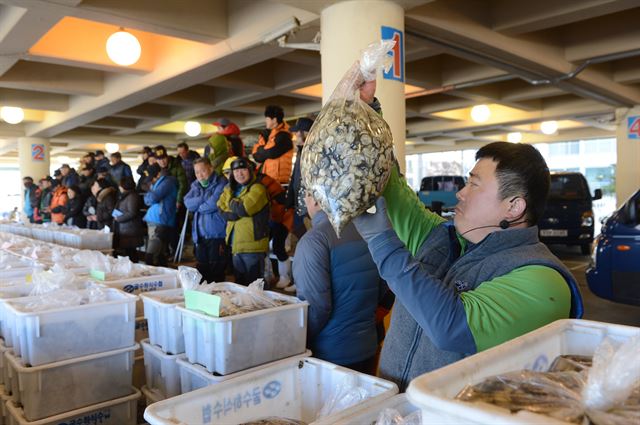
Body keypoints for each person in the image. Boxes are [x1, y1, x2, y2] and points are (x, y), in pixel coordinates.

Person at [352, 141, 584, 390]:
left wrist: (382, 242)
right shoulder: (439, 236)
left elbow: (451, 327)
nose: (461, 193)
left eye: (474, 184)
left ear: (514, 207)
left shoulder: (542, 279)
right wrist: (370, 117)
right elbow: (392, 188)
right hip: (391, 406)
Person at [294, 192, 387, 373]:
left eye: (306, 195)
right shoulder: (366, 231)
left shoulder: (314, 241)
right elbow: (382, 288)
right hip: (368, 347)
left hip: (329, 355)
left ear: (315, 199)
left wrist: (299, 340)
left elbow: (316, 306)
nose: (305, 200)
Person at [217, 157, 270, 286]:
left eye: (243, 170)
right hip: (235, 245)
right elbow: (220, 208)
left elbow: (244, 209)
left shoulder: (258, 188)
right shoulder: (230, 189)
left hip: (253, 247)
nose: (239, 174)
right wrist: (234, 204)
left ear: (250, 171)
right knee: (240, 285)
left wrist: (230, 202)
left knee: (254, 287)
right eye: (235, 171)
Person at [184, 157, 228, 283]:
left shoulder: (221, 182)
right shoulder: (195, 185)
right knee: (202, 272)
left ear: (211, 168)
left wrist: (198, 206)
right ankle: (205, 301)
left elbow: (214, 203)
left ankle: (219, 301)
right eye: (197, 172)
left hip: (217, 235)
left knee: (217, 272)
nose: (200, 175)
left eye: (203, 171)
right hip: (200, 235)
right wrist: (203, 198)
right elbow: (187, 202)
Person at [143, 164, 178, 266]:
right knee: (159, 254)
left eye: (153, 177)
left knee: (151, 256)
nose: (152, 180)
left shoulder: (167, 182)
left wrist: (149, 191)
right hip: (156, 219)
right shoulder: (160, 182)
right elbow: (148, 200)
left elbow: (152, 198)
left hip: (160, 220)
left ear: (158, 174)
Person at [286, 117, 314, 239]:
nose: (296, 135)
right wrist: (290, 200)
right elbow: (295, 177)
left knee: (309, 240)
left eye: (299, 131)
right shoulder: (300, 151)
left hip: (309, 208)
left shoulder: (314, 152)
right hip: (300, 207)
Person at [252, 105, 294, 185]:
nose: (266, 122)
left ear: (274, 120)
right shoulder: (270, 135)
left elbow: (270, 153)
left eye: (267, 119)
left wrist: (261, 150)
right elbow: (257, 157)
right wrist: (263, 151)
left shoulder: (284, 136)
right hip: (270, 178)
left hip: (279, 181)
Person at [113, 177, 145, 262]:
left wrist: (118, 218)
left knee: (131, 252)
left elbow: (132, 212)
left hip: (130, 229)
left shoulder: (132, 196)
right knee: (128, 252)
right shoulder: (125, 195)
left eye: (120, 185)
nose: (119, 187)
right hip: (125, 228)